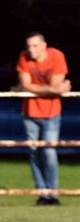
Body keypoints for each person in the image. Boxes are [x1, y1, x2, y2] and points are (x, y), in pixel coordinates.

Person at [16, 32, 70, 206]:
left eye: (35, 46)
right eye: (29, 46)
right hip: (30, 112)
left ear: (44, 45)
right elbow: (25, 85)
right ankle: (42, 193)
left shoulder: (57, 56)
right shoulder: (24, 57)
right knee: (33, 152)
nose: (31, 50)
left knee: (48, 152)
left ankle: (52, 193)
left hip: (51, 113)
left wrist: (35, 88)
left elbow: (55, 83)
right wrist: (53, 90)